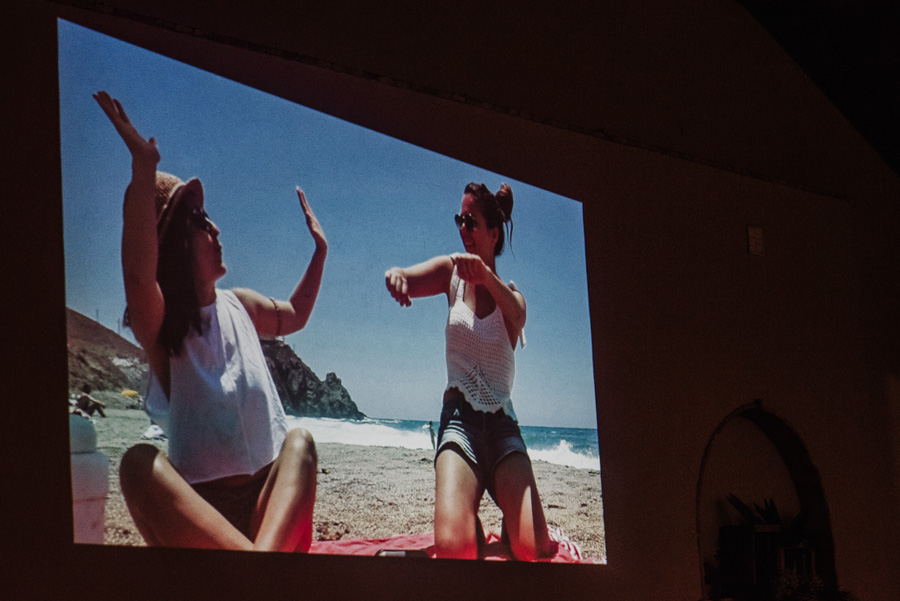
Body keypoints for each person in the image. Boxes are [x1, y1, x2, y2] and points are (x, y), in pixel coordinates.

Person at [94, 91, 326, 552]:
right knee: (138, 464)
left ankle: (253, 573)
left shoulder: (239, 304)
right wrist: (143, 169)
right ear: (177, 245)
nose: (216, 229)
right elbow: (139, 275)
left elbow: (295, 314)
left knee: (300, 442)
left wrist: (320, 253)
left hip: (267, 505)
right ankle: (258, 574)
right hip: (201, 519)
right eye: (200, 221)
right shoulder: (165, 331)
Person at [385, 182, 552, 560]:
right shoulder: (451, 273)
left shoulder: (512, 296)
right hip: (459, 419)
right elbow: (407, 276)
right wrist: (396, 276)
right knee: (454, 549)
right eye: (459, 220)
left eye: (471, 223)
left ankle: (508, 521)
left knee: (533, 550)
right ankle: (468, 519)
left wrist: (485, 276)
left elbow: (519, 315)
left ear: (493, 234)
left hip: (502, 427)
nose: (463, 230)